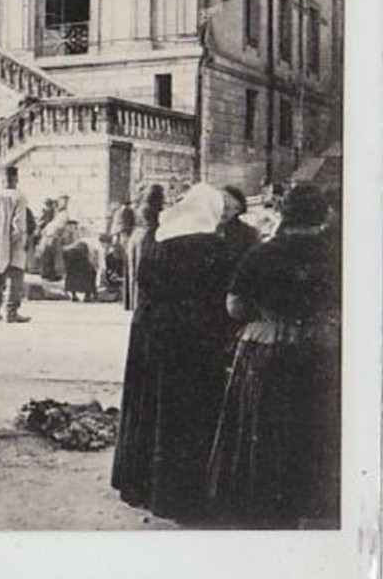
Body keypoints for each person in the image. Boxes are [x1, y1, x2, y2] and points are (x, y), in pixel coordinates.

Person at [207, 183, 341, 528]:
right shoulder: (340, 252)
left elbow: (234, 307)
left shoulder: (263, 253)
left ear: (284, 211)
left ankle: (264, 502)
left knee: (265, 427)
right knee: (313, 426)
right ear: (322, 214)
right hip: (322, 348)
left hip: (267, 349)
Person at [111, 183, 234, 522]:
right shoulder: (214, 247)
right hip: (193, 339)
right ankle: (182, 496)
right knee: (186, 417)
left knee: (151, 406)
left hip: (151, 333)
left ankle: (141, 485)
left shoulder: (158, 238)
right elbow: (222, 301)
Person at [0, 165, 30, 323]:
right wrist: (12, 241)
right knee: (15, 277)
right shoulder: (19, 197)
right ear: (16, 179)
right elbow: (19, 225)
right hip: (13, 243)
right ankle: (11, 312)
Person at [125, 184, 165, 312]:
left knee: (135, 270)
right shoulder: (150, 209)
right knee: (141, 269)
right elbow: (154, 224)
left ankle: (134, 302)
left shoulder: (141, 207)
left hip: (136, 237)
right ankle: (139, 302)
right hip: (146, 238)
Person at [218, 185, 259, 270]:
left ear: (238, 209)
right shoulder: (203, 229)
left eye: (226, 208)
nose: (221, 212)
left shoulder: (247, 233)